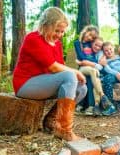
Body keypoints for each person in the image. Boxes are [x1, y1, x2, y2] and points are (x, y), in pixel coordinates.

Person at [12, 7, 87, 141]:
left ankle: (51, 121)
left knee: (81, 88)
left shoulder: (56, 44)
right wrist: (75, 71)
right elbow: (53, 67)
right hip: (26, 84)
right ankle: (64, 130)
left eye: (62, 31)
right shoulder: (33, 38)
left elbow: (61, 67)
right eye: (56, 30)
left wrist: (74, 75)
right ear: (45, 25)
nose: (59, 34)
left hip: (44, 83)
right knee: (71, 76)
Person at [74, 31, 114, 116]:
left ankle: (93, 107)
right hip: (82, 69)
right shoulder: (83, 46)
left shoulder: (99, 53)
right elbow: (82, 58)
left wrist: (89, 63)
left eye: (100, 46)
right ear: (92, 43)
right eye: (95, 44)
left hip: (91, 71)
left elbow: (101, 67)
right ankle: (102, 97)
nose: (97, 47)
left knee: (93, 76)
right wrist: (95, 63)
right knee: (93, 71)